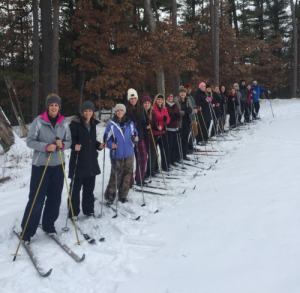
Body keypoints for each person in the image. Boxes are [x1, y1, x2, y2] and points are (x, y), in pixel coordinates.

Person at [20, 94, 72, 243]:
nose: (54, 108)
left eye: (56, 105)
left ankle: (49, 225)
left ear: (59, 107)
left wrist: (62, 145)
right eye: (51, 105)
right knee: (37, 199)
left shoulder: (64, 123)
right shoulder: (39, 122)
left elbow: (69, 141)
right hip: (41, 166)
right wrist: (45, 147)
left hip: (58, 165)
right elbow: (30, 141)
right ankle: (27, 231)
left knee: (55, 198)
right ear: (47, 107)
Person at [68, 101, 106, 219]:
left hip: (91, 162)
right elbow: (70, 140)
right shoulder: (75, 124)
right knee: (75, 189)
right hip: (78, 161)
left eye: (90, 111)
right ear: (82, 112)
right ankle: (73, 212)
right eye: (85, 111)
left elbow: (92, 141)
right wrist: (74, 146)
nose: (88, 113)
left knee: (89, 189)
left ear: (93, 112)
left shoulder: (93, 124)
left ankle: (89, 210)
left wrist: (99, 145)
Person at [104, 104, 138, 205]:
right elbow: (106, 138)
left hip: (129, 153)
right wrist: (111, 145)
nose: (119, 112)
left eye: (121, 110)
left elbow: (135, 135)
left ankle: (123, 196)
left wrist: (136, 139)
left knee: (127, 175)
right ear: (115, 112)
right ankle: (110, 197)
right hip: (117, 154)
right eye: (118, 110)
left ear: (124, 112)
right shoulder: (111, 124)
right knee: (115, 176)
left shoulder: (130, 123)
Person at [126, 88, 147, 187]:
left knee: (142, 158)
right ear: (129, 99)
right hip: (129, 139)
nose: (133, 100)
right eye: (131, 98)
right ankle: (129, 181)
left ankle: (140, 179)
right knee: (130, 160)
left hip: (140, 137)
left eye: (134, 98)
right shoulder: (126, 110)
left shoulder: (141, 109)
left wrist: (147, 122)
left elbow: (143, 121)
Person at [152, 94, 171, 172]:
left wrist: (166, 120)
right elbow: (153, 120)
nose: (160, 101)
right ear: (156, 100)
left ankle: (165, 165)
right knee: (155, 150)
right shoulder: (153, 108)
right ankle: (155, 167)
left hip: (162, 131)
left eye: (161, 99)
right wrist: (157, 126)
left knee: (164, 149)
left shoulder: (164, 109)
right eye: (158, 99)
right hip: (155, 132)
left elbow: (168, 119)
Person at [174, 87, 193, 160]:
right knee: (180, 139)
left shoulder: (187, 100)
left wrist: (190, 111)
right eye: (181, 92)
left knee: (185, 139)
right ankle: (178, 155)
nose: (183, 94)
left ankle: (184, 155)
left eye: (184, 92)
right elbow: (177, 111)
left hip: (187, 122)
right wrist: (185, 112)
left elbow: (191, 110)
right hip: (180, 123)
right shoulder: (176, 100)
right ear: (179, 93)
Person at [141, 94, 157, 179]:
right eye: (145, 103)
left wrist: (157, 127)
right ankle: (144, 172)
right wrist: (145, 127)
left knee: (153, 152)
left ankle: (151, 169)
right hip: (143, 136)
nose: (147, 104)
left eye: (148, 103)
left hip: (150, 135)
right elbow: (139, 125)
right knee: (144, 154)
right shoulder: (141, 113)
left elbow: (153, 124)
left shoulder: (152, 113)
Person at [166, 93, 181, 165]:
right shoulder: (165, 106)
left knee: (176, 144)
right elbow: (166, 117)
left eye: (171, 96)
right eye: (169, 96)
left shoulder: (175, 105)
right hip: (169, 128)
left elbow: (179, 115)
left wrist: (178, 117)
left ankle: (175, 158)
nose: (170, 98)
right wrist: (172, 118)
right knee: (170, 145)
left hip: (176, 127)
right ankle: (170, 160)